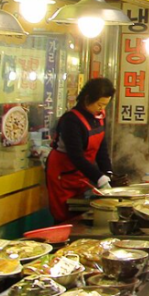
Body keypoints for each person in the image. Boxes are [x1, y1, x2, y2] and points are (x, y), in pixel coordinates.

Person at [46, 78, 116, 223]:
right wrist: (99, 178)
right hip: (63, 175)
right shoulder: (71, 121)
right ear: (87, 98)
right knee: (64, 217)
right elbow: (76, 156)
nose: (101, 109)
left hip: (81, 174)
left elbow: (101, 149)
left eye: (104, 105)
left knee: (79, 216)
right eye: (99, 104)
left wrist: (107, 172)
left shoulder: (99, 117)